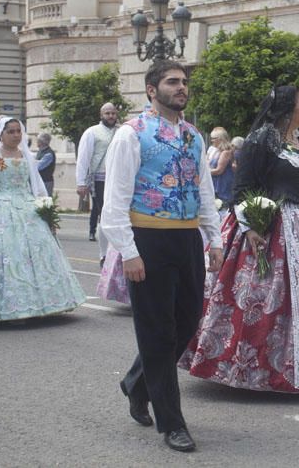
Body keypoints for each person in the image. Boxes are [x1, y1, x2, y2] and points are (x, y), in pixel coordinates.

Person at [180, 85, 299, 394]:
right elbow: (243, 186)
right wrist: (250, 227)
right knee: (273, 299)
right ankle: (266, 369)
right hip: (278, 227)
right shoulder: (261, 140)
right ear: (287, 108)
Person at [100, 61, 223, 452]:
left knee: (187, 322)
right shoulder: (131, 134)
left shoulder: (194, 136)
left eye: (184, 82)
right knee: (157, 332)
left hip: (186, 240)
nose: (181, 87)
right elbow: (115, 199)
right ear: (152, 90)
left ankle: (137, 381)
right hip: (148, 240)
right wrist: (128, 252)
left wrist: (214, 238)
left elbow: (205, 190)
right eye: (172, 82)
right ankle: (172, 423)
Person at [0, 117, 86, 321]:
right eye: (10, 132)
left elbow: (36, 185)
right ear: (1, 135)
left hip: (28, 209)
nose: (15, 135)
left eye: (18, 131)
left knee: (35, 258)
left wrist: (46, 212)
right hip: (0, 209)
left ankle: (38, 305)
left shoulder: (26, 155)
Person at [76, 102, 119, 265]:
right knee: (105, 215)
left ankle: (117, 252)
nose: (110, 116)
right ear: (101, 115)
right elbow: (83, 158)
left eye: (113, 113)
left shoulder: (123, 131)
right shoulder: (92, 132)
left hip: (119, 180)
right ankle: (104, 254)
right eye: (107, 113)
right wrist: (81, 182)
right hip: (100, 180)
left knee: (118, 216)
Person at [208, 127, 235, 206]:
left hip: (223, 184)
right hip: (215, 183)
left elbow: (219, 170)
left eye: (213, 138)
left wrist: (205, 172)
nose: (211, 140)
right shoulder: (215, 151)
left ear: (220, 139)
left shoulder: (226, 152)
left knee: (223, 207)